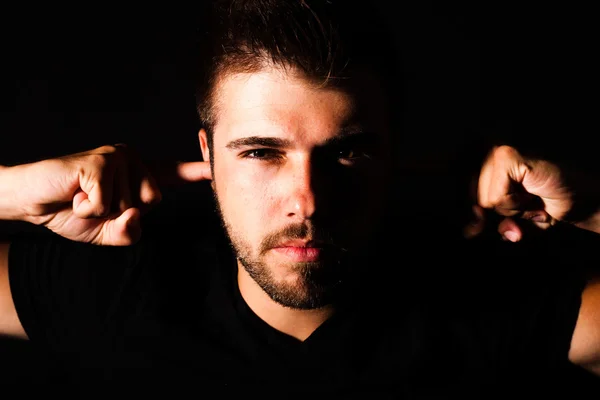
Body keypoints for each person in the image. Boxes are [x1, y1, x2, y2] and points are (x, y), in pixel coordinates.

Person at [0, 0, 599, 397]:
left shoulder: (492, 306)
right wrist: (11, 191)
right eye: (262, 153)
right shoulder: (119, 295)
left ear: (393, 152)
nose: (307, 201)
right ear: (207, 156)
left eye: (347, 152)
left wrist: (592, 206)